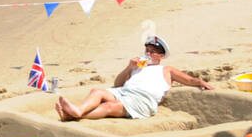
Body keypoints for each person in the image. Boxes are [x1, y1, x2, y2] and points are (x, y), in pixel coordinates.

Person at [55, 36, 212, 121]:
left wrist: (201, 83)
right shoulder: (138, 67)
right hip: (124, 91)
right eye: (147, 50)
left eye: (153, 52)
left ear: (161, 56)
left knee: (111, 106)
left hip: (142, 100)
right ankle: (78, 111)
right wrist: (129, 67)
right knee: (97, 90)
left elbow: (188, 80)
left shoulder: (166, 69)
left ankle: (73, 116)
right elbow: (117, 85)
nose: (149, 54)